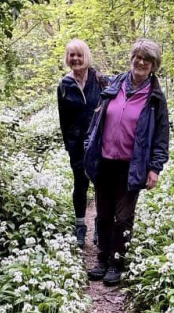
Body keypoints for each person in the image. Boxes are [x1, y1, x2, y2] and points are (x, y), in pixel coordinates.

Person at [83, 38, 169, 286]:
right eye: (138, 57)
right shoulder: (114, 84)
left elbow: (162, 134)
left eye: (147, 59)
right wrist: (89, 145)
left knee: (123, 217)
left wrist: (155, 167)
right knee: (104, 213)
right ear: (132, 58)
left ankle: (117, 262)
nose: (141, 62)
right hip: (105, 160)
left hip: (132, 164)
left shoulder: (155, 97)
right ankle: (101, 259)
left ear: (154, 65)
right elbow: (97, 118)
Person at [57, 39, 108, 248]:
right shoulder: (64, 85)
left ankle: (99, 226)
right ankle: (80, 227)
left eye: (79, 54)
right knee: (80, 185)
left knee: (100, 186)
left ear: (86, 56)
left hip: (99, 143)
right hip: (77, 145)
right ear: (67, 58)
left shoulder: (100, 80)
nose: (76, 59)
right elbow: (63, 120)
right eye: (72, 55)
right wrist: (70, 144)